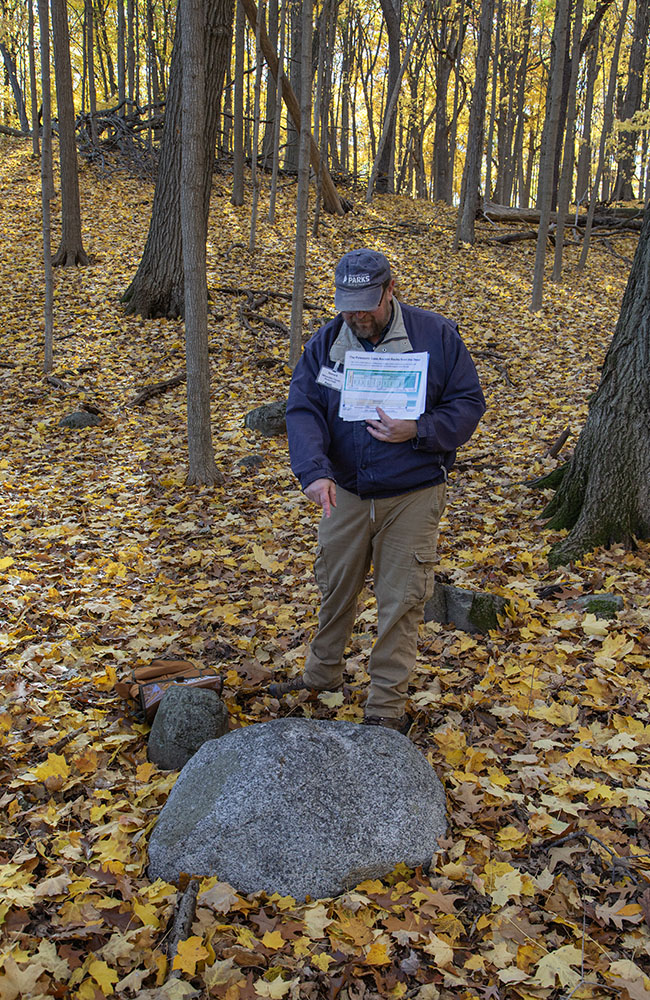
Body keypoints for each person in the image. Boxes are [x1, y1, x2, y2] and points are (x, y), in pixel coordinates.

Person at [270, 249, 486, 733]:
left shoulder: (435, 336)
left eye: (366, 303)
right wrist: (313, 472)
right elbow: (303, 410)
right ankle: (320, 677)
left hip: (413, 492)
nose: (357, 314)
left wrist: (421, 429)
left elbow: (469, 401)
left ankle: (386, 708)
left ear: (391, 290)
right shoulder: (326, 344)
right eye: (347, 304)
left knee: (401, 600)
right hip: (343, 492)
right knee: (335, 588)